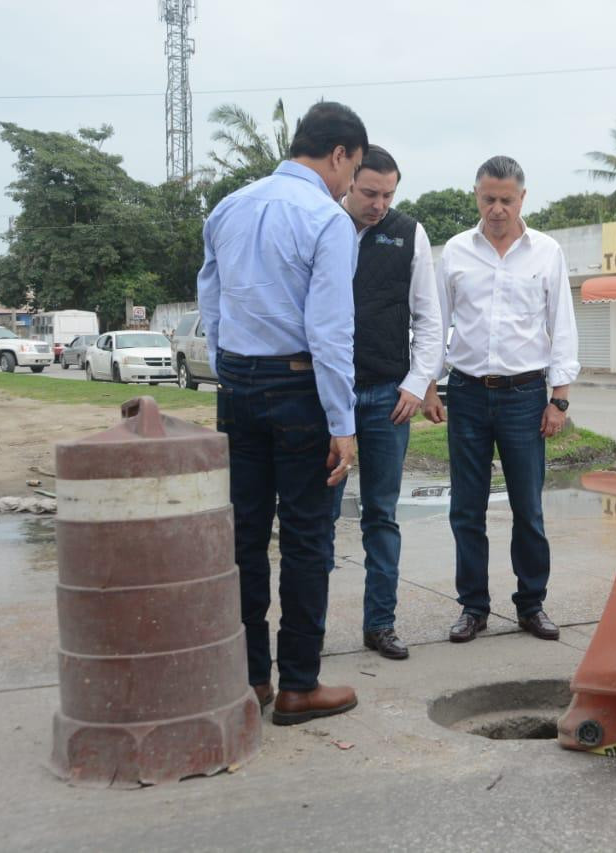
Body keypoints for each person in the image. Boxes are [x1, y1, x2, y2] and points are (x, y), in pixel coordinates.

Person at [197, 100, 367, 727]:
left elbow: (209, 302)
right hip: (299, 392)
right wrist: (342, 424)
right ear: (341, 154)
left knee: (243, 537)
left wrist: (231, 371)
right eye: (353, 171)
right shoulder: (327, 220)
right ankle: (298, 685)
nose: (351, 185)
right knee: (304, 539)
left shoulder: (229, 207)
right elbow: (329, 332)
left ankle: (249, 681)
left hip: (237, 387)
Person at [435, 155, 580, 644]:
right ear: (476, 195)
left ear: (523, 198)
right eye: (488, 198)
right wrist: (431, 385)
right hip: (468, 393)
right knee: (466, 509)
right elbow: (436, 324)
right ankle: (473, 607)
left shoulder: (546, 253)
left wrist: (558, 399)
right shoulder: (455, 252)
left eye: (506, 200)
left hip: (523, 395)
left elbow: (562, 325)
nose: (497, 209)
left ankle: (531, 605)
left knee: (528, 509)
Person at [332, 145, 443, 661]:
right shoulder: (322, 223)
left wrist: (417, 382)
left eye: (388, 194)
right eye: (369, 192)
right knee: (317, 515)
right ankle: (304, 632)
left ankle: (380, 624)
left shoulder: (409, 233)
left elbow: (428, 317)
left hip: (386, 399)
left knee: (382, 515)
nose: (379, 204)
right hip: (327, 399)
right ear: (349, 181)